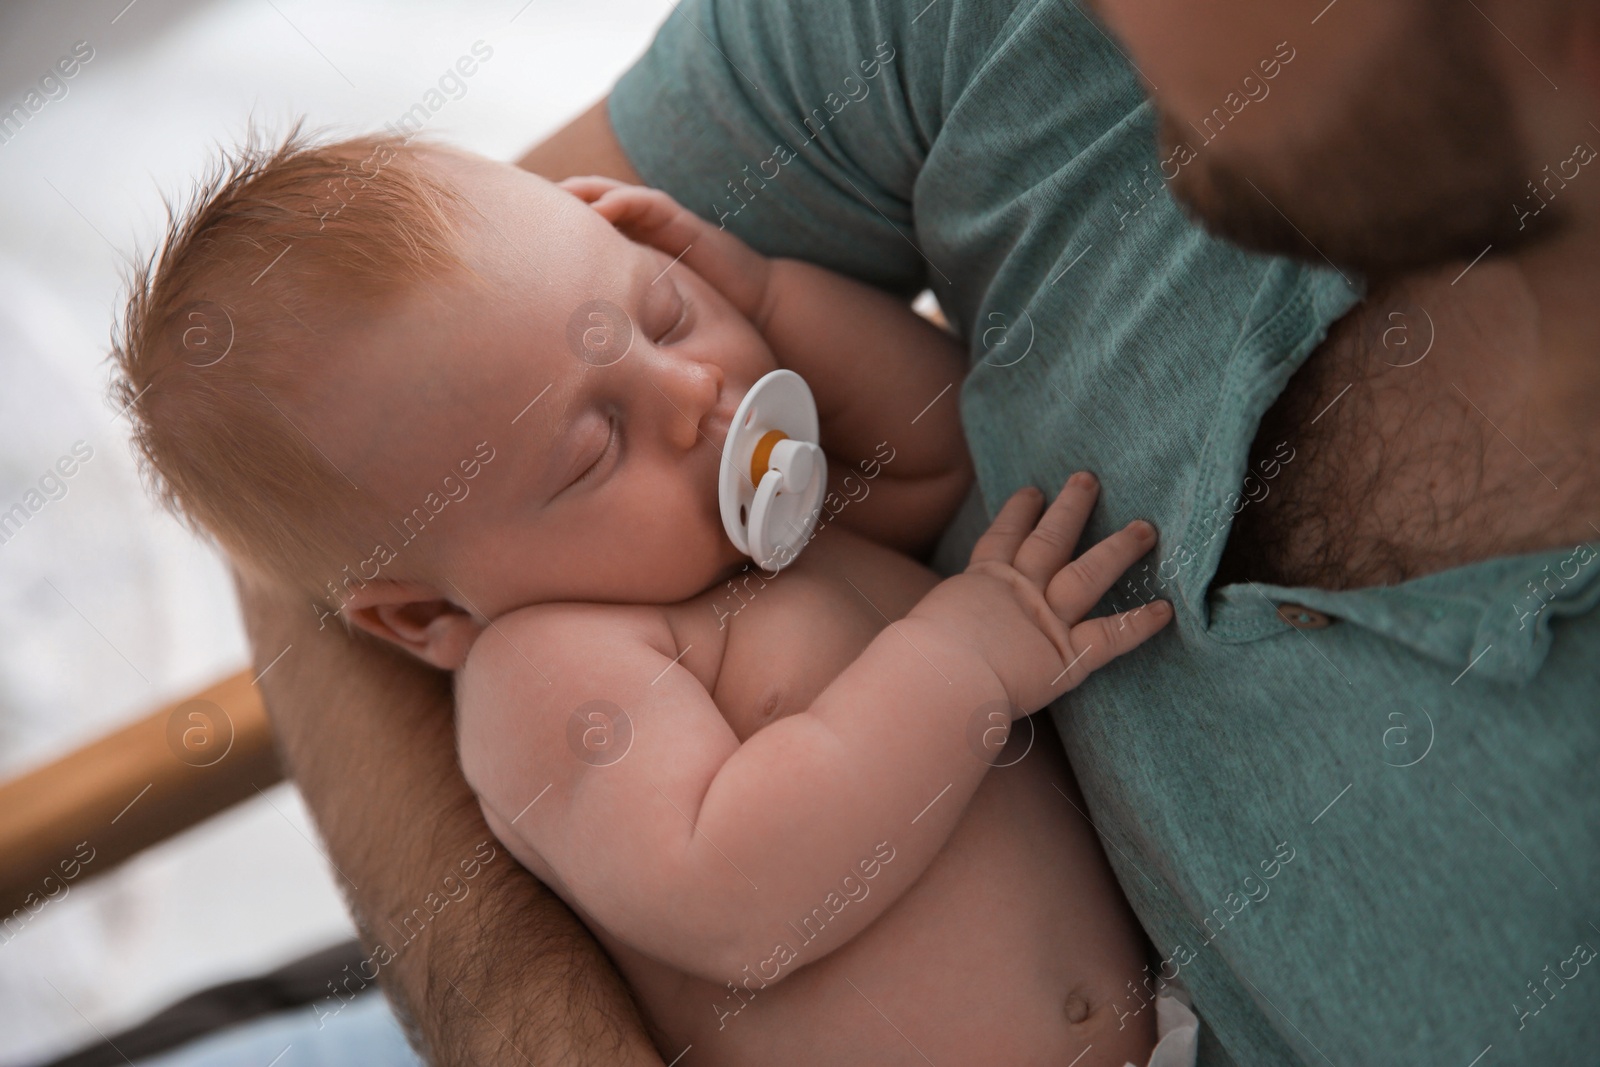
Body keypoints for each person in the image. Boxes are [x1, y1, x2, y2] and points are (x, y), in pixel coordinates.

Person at [233, 0, 1600, 1063]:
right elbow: (734, 895)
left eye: (658, 313)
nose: (698, 391)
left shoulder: (757, 537)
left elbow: (938, 446)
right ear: (423, 613)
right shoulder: (550, 676)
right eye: (590, 447)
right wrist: (960, 662)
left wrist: (760, 284)